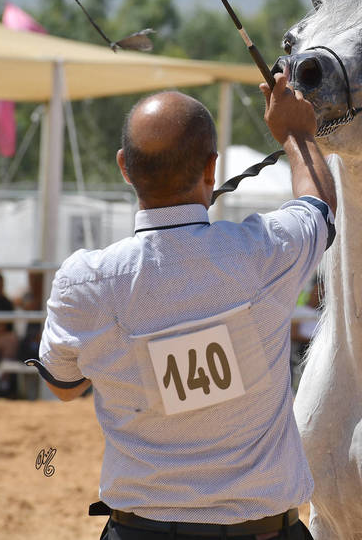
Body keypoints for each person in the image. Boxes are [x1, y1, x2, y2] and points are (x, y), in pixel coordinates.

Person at [29, 75, 335, 540]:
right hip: (266, 531)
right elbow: (318, 207)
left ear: (124, 168)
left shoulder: (85, 282)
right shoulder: (265, 250)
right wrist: (295, 134)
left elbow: (65, 387)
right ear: (212, 168)